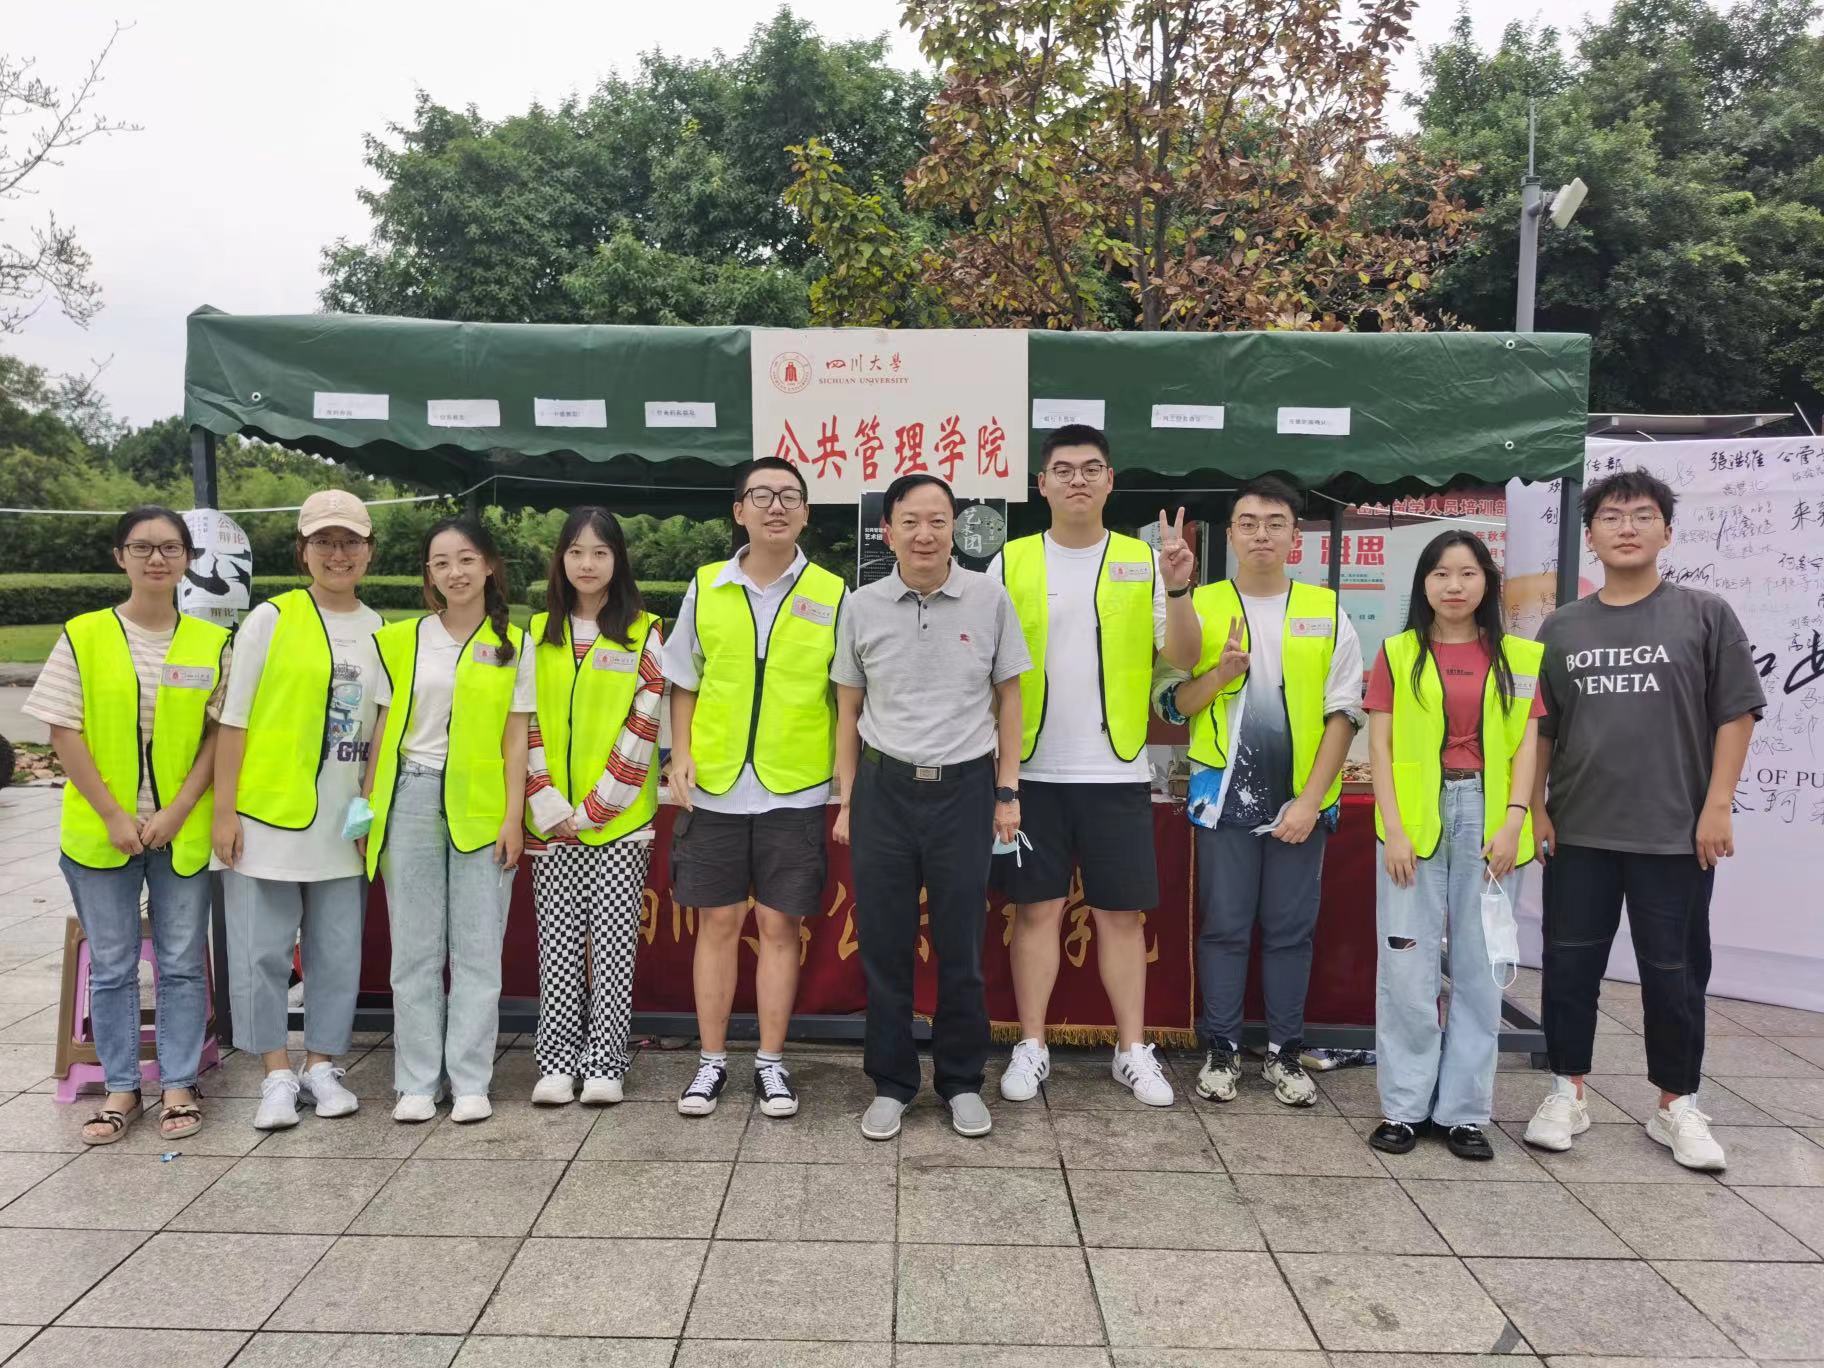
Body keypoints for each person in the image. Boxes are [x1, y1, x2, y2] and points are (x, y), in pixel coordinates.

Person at [1523, 468, 1762, 1172]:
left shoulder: (1704, 614)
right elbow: (1541, 730)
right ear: (1591, 536)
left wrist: (1717, 805)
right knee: (1569, 967)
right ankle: (1566, 1091)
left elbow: (1736, 714)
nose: (1627, 527)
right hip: (1579, 830)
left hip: (1675, 833)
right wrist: (1534, 807)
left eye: (1642, 515)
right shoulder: (1562, 627)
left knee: (1675, 973)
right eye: (1612, 517)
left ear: (1667, 531)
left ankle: (1676, 1104)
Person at [989, 424, 1201, 1106]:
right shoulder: (1009, 561)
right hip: (1032, 772)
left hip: (1116, 772)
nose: (1076, 479)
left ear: (1110, 481)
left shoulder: (1143, 560)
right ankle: (1031, 1045)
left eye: (1090, 469)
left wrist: (1180, 588)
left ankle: (1132, 1050)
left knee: (1121, 917)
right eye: (1063, 469)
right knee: (1036, 912)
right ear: (1041, 484)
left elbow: (1185, 657)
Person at [1153, 475, 1362, 1107]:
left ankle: (1283, 1051)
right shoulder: (1201, 604)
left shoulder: (1326, 611)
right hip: (1223, 797)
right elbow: (1174, 703)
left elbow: (1344, 713)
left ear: (1295, 536)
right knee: (1225, 927)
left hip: (1301, 802)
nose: (1261, 534)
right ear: (1231, 534)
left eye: (1275, 523)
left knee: (1291, 932)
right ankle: (1220, 1047)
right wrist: (1220, 674)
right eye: (1248, 523)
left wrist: (1311, 801)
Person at [832, 473, 1030, 1141]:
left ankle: (961, 1080)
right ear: (887, 531)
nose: (925, 534)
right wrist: (847, 798)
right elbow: (848, 709)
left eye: (938, 521)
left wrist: (1007, 790)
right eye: (910, 522)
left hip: (965, 790)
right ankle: (891, 1084)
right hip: (883, 789)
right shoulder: (861, 605)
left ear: (955, 530)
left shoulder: (989, 597)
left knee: (961, 946)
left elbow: (1009, 698)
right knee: (884, 946)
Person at [26, 507, 230, 1145]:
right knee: (112, 966)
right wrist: (115, 815)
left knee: (182, 964)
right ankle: (121, 1088)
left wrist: (175, 812)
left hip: (180, 831)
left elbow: (219, 736)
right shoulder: (83, 635)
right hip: (100, 832)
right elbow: (63, 729)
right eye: (141, 547)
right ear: (120, 557)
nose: (156, 559)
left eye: (170, 548)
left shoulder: (211, 641)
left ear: (188, 559)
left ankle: (178, 1085)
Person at [663, 458, 845, 1119]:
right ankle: (711, 1062)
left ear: (806, 513)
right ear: (739, 510)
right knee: (717, 923)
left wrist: (845, 783)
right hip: (714, 783)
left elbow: (845, 694)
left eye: (789, 496)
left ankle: (771, 1062)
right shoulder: (707, 585)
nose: (776, 506)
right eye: (761, 495)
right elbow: (684, 679)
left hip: (794, 786)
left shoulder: (833, 592)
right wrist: (681, 754)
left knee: (778, 925)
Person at [1365, 531, 1544, 1160]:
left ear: (1486, 581)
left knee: (1480, 969)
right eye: (1440, 574)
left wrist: (1514, 819)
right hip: (1415, 823)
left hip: (1491, 823)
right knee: (1406, 967)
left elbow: (1527, 745)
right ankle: (1404, 1107)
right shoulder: (1398, 653)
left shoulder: (1518, 657)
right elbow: (1380, 745)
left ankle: (1465, 1112)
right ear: (1423, 584)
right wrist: (1394, 828)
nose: (1454, 586)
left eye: (1467, 573)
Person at [212, 490, 381, 1131]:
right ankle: (275, 1072)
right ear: (303, 551)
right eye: (324, 542)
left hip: (343, 822)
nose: (338, 554)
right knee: (263, 951)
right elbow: (233, 721)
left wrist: (366, 820)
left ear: (369, 551)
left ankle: (322, 1064)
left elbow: (379, 737)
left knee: (337, 951)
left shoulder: (381, 629)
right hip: (268, 817)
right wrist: (225, 813)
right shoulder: (271, 618)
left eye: (350, 542)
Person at [362, 518, 532, 1125]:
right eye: (441, 562)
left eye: (465, 559)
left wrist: (514, 817)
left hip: (482, 805)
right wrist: (367, 809)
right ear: (428, 574)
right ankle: (415, 1081)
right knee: (414, 949)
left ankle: (470, 1080)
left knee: (479, 950)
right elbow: (382, 730)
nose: (455, 572)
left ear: (489, 565)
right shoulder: (399, 640)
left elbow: (517, 738)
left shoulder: (515, 644)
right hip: (409, 796)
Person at [523, 507, 665, 1108]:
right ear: (560, 559)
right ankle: (556, 1061)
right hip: (549, 820)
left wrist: (595, 810)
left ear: (618, 561)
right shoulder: (535, 634)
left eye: (600, 552)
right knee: (557, 947)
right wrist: (548, 802)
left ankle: (606, 1061)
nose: (587, 563)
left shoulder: (644, 633)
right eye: (576, 551)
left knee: (611, 946)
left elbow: (645, 721)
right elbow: (523, 723)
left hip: (620, 823)